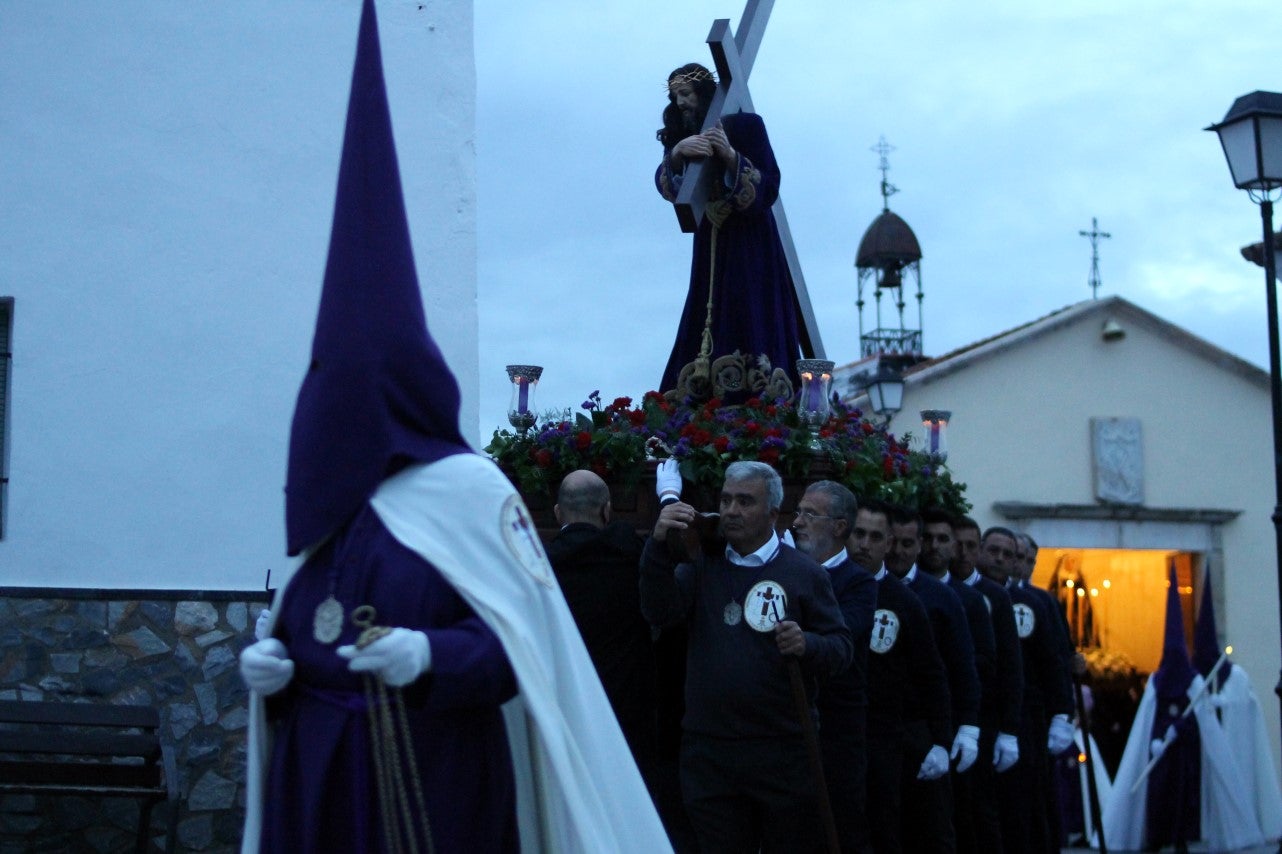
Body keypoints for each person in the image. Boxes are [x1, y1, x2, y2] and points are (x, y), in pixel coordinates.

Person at [237, 4, 671, 852]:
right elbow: (309, 627)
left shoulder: (466, 492)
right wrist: (275, 672)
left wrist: (432, 656)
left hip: (429, 782)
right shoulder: (338, 508)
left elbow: (521, 652)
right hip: (319, 778)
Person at [640, 461, 852, 853]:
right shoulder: (703, 566)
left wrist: (808, 643)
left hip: (781, 751)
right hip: (710, 752)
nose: (731, 511)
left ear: (773, 513)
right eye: (726, 499)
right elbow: (660, 612)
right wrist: (656, 547)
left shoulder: (803, 573)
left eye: (744, 501)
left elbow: (841, 648)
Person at [655, 63, 801, 395]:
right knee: (707, 308)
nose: (680, 103)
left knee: (750, 307)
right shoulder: (683, 139)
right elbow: (669, 188)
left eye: (686, 94)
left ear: (706, 94)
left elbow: (769, 186)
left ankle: (760, 391)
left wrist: (731, 156)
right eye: (675, 96)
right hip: (711, 243)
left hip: (752, 242)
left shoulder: (748, 127)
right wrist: (677, 154)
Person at [849, 500, 950, 854]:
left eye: (874, 536)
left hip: (886, 741)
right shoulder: (828, 587)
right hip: (838, 734)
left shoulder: (904, 602)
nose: (864, 543)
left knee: (884, 829)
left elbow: (931, 673)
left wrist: (941, 739)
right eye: (858, 533)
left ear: (888, 543)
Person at [546, 470, 659, 786]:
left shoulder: (540, 565)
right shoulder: (632, 553)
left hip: (566, 712)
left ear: (557, 513)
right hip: (627, 713)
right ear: (607, 510)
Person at [884, 506, 979, 853]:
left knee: (931, 830)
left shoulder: (941, 597)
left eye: (908, 543)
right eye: (893, 541)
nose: (898, 551)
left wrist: (964, 727)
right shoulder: (864, 586)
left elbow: (960, 666)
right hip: (879, 729)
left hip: (921, 727)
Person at [792, 480, 877, 853]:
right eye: (798, 512)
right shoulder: (787, 569)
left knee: (839, 829)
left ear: (839, 526)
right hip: (787, 722)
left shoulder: (859, 582)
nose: (797, 522)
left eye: (809, 514)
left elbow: (840, 631)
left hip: (837, 730)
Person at [978, 527, 1072, 854]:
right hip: (982, 712)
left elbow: (1053, 661)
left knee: (1024, 804)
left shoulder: (1034, 603)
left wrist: (1062, 713)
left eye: (1013, 556)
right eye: (995, 551)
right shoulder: (971, 595)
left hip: (1027, 716)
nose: (1004, 560)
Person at [919, 510, 995, 854]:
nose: (935, 546)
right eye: (929, 538)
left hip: (957, 718)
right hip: (920, 720)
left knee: (962, 817)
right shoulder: (911, 591)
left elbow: (985, 664)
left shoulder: (969, 600)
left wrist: (971, 724)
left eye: (943, 539)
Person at [949, 515, 1023, 854]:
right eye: (958, 544)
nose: (963, 552)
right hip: (950, 712)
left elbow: (1009, 664)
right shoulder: (943, 590)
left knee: (982, 806)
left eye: (969, 546)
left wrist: (1009, 728)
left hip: (986, 714)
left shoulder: (994, 596)